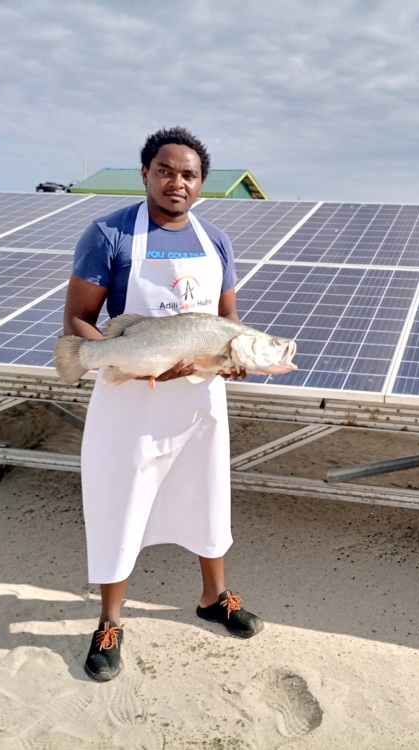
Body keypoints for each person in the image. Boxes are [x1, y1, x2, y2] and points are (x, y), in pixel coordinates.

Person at [63, 126, 263, 683]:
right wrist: (126, 359)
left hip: (199, 400)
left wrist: (233, 357)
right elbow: (77, 320)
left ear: (202, 183)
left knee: (207, 495)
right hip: (130, 398)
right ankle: (109, 621)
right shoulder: (108, 234)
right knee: (118, 503)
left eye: (190, 174)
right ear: (146, 173)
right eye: (166, 171)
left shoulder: (215, 240)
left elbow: (225, 324)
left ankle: (213, 596)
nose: (178, 182)